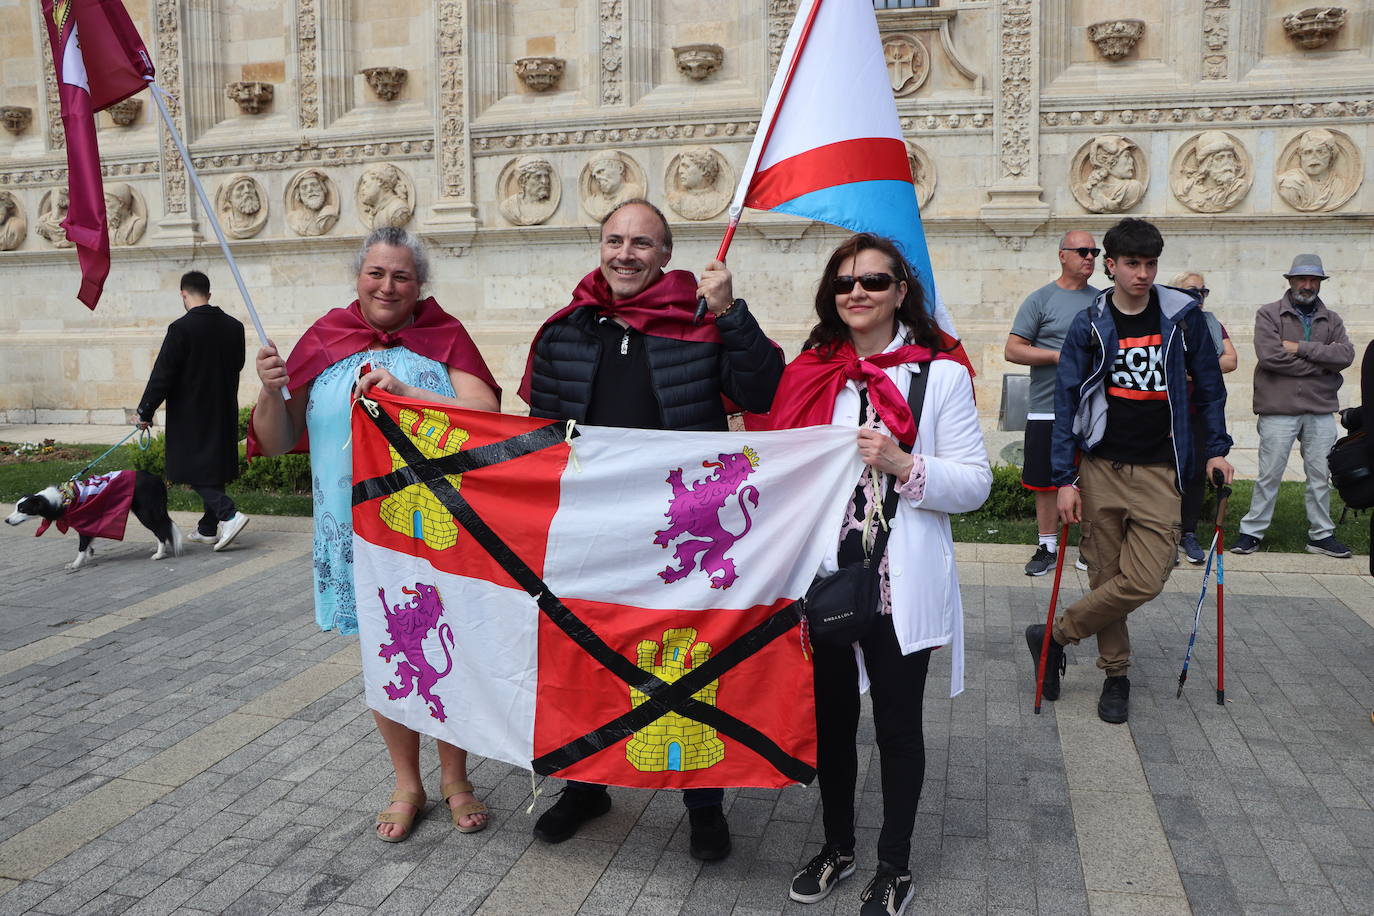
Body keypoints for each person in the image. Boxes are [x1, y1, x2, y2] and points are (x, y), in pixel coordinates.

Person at [519, 198, 784, 861]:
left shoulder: (700, 323)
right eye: (615, 240)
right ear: (599, 246)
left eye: (643, 243)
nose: (626, 254)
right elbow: (541, 439)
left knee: (691, 658)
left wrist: (731, 312)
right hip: (592, 530)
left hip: (684, 526)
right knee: (583, 653)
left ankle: (704, 801)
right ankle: (585, 785)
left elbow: (763, 390)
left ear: (666, 257)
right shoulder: (565, 332)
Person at [252, 227, 501, 842]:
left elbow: (488, 416)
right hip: (356, 533)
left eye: (402, 276)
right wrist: (266, 387)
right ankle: (406, 782)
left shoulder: (443, 336)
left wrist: (410, 395)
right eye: (376, 274)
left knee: (448, 645)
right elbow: (277, 438)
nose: (388, 286)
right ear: (357, 278)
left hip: (434, 526)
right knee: (387, 652)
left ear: (420, 285)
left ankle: (455, 776)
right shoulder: (324, 339)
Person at [770, 233, 990, 915]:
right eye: (844, 284)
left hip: (901, 583)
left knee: (897, 729)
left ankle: (893, 864)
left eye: (873, 281)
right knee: (832, 724)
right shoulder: (812, 374)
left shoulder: (942, 376)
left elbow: (976, 484)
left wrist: (904, 465)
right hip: (828, 582)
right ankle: (839, 846)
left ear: (901, 291)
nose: (857, 293)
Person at [1029, 218, 1234, 725]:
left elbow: (1210, 388)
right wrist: (1063, 480)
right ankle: (1115, 676)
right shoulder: (1089, 323)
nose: (1143, 274)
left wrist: (1216, 449)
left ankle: (1053, 635)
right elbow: (1067, 403)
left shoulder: (1183, 318)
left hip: (1162, 468)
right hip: (1100, 468)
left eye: (1150, 264)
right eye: (1133, 264)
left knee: (1145, 579)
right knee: (1105, 575)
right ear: (1111, 266)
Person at [1232, 254, 1355, 558]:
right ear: (1290, 281)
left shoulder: (1333, 318)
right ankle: (1251, 532)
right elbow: (1271, 357)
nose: (1308, 285)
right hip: (1278, 407)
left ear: (1320, 283)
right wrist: (1322, 364)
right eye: (1302, 279)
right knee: (1269, 474)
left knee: (1320, 475)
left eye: (1314, 280)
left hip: (1320, 409)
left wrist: (1299, 348)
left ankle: (1321, 535)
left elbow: (1346, 356)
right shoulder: (1269, 314)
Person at [1005, 231, 1101, 576]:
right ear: (1063, 255)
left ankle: (1088, 547)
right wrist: (1058, 356)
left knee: (1092, 478)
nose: (1089, 257)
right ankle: (1047, 546)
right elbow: (1013, 349)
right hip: (1047, 407)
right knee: (1046, 483)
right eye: (1082, 251)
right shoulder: (1040, 300)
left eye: (1094, 251)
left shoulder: (1103, 300)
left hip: (1093, 408)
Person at [136, 271, 249, 551]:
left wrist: (145, 411)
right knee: (213, 467)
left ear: (183, 295)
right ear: (208, 294)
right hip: (223, 408)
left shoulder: (181, 328)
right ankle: (207, 528)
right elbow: (238, 364)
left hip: (191, 413)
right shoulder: (234, 327)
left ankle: (229, 515)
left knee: (189, 467)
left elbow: (163, 373)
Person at [1170, 271, 1238, 563]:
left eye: (1203, 291)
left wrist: (1196, 367)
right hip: (1168, 412)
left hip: (1199, 411)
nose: (1198, 295)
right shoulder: (1167, 321)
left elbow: (1231, 360)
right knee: (1164, 474)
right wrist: (1201, 364)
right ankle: (1163, 536)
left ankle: (1188, 532)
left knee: (1195, 474)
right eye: (1190, 290)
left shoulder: (1210, 323)